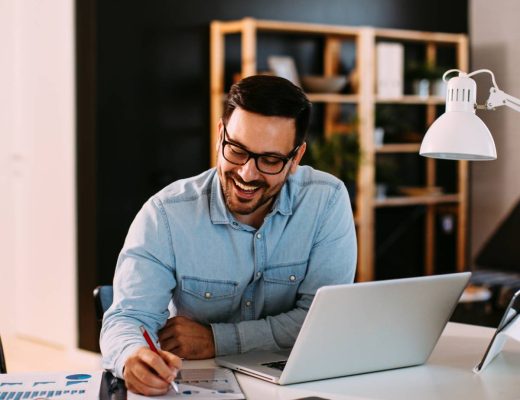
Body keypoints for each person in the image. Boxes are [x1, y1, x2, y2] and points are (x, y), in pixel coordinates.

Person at [100, 75, 357, 395]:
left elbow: (320, 321)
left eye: (270, 160)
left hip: (295, 388)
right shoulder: (165, 214)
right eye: (236, 150)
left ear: (296, 158)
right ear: (220, 135)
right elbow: (126, 318)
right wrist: (131, 356)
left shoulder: (326, 201)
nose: (247, 173)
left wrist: (216, 339)